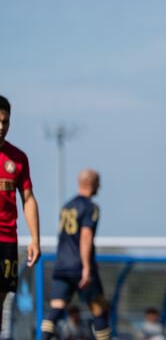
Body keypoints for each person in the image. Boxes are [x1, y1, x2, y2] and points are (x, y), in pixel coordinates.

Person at [41, 169, 110, 340]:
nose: (99, 188)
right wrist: (87, 266)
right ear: (93, 184)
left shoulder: (67, 206)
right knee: (99, 311)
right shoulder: (91, 207)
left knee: (56, 309)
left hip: (62, 265)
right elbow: (85, 236)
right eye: (98, 184)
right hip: (80, 267)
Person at [0, 95, 41, 334]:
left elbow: (28, 199)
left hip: (6, 240)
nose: (1, 127)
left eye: (5, 121)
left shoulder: (18, 158)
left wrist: (35, 239)